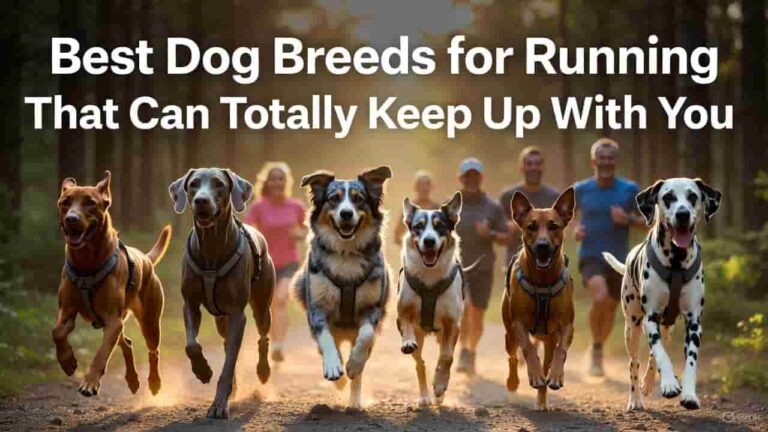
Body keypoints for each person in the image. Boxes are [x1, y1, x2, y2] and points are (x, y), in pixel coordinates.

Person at [573, 138, 645, 376]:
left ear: (616, 161)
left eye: (610, 158)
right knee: (600, 296)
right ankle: (595, 350)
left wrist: (629, 220)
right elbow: (564, 215)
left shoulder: (629, 189)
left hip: (619, 260)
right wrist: (574, 228)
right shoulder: (581, 190)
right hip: (591, 255)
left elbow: (651, 221)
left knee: (612, 309)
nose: (606, 162)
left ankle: (598, 347)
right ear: (594, 161)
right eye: (601, 158)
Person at [244, 162, 307, 362]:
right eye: (274, 178)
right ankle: (270, 341)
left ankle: (278, 346)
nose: (277, 182)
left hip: (290, 262)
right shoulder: (258, 207)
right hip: (264, 264)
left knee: (280, 300)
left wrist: (300, 234)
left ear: (286, 182)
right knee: (267, 306)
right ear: (267, 182)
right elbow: (246, 229)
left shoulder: (296, 206)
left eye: (281, 178)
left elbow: (308, 229)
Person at [454, 157, 509, 375]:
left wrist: (491, 234)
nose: (471, 180)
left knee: (477, 313)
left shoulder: (492, 207)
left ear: (481, 178)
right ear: (460, 178)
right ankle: (463, 352)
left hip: (484, 267)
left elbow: (506, 237)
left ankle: (471, 351)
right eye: (467, 176)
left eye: (475, 176)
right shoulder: (453, 204)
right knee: (464, 308)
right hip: (456, 267)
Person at [499, 146, 560, 265]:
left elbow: (561, 230)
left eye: (537, 164)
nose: (533, 168)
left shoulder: (554, 197)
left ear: (543, 167)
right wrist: (511, 226)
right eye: (529, 164)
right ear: (521, 167)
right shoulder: (508, 196)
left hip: (548, 262)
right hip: (516, 261)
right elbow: (500, 229)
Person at [393, 170, 440, 245]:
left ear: (431, 187)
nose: (424, 188)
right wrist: (409, 249)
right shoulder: (409, 209)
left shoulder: (438, 209)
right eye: (421, 186)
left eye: (426, 185)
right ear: (416, 188)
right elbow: (397, 235)